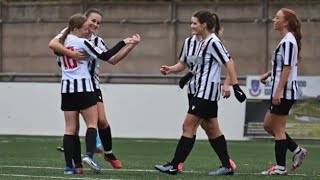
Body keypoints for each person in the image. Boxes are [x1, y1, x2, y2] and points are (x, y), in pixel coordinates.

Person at [155, 10, 246, 176]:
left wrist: (235, 86)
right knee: (211, 129)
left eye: (194, 23)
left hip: (206, 91)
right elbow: (192, 66)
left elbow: (229, 62)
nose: (192, 26)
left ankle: (174, 165)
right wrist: (171, 70)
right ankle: (226, 166)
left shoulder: (213, 42)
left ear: (204, 24)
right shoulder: (201, 42)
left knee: (188, 125)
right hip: (199, 91)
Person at [49, 8, 141, 169]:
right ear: (84, 20)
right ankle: (88, 154)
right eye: (93, 20)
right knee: (88, 123)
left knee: (99, 121)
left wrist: (131, 46)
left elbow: (112, 59)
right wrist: (72, 55)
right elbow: (53, 44)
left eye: (98, 22)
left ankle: (103, 153)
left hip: (87, 85)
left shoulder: (96, 40)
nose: (95, 24)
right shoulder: (72, 35)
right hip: (83, 86)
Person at [260, 8, 307, 175]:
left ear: (285, 22)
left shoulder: (288, 41)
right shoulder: (287, 40)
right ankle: (297, 150)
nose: (273, 19)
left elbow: (287, 68)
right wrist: (269, 73)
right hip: (281, 91)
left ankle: (280, 168)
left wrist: (278, 91)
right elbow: (284, 66)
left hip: (285, 93)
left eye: (277, 17)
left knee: (278, 129)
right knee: (268, 125)